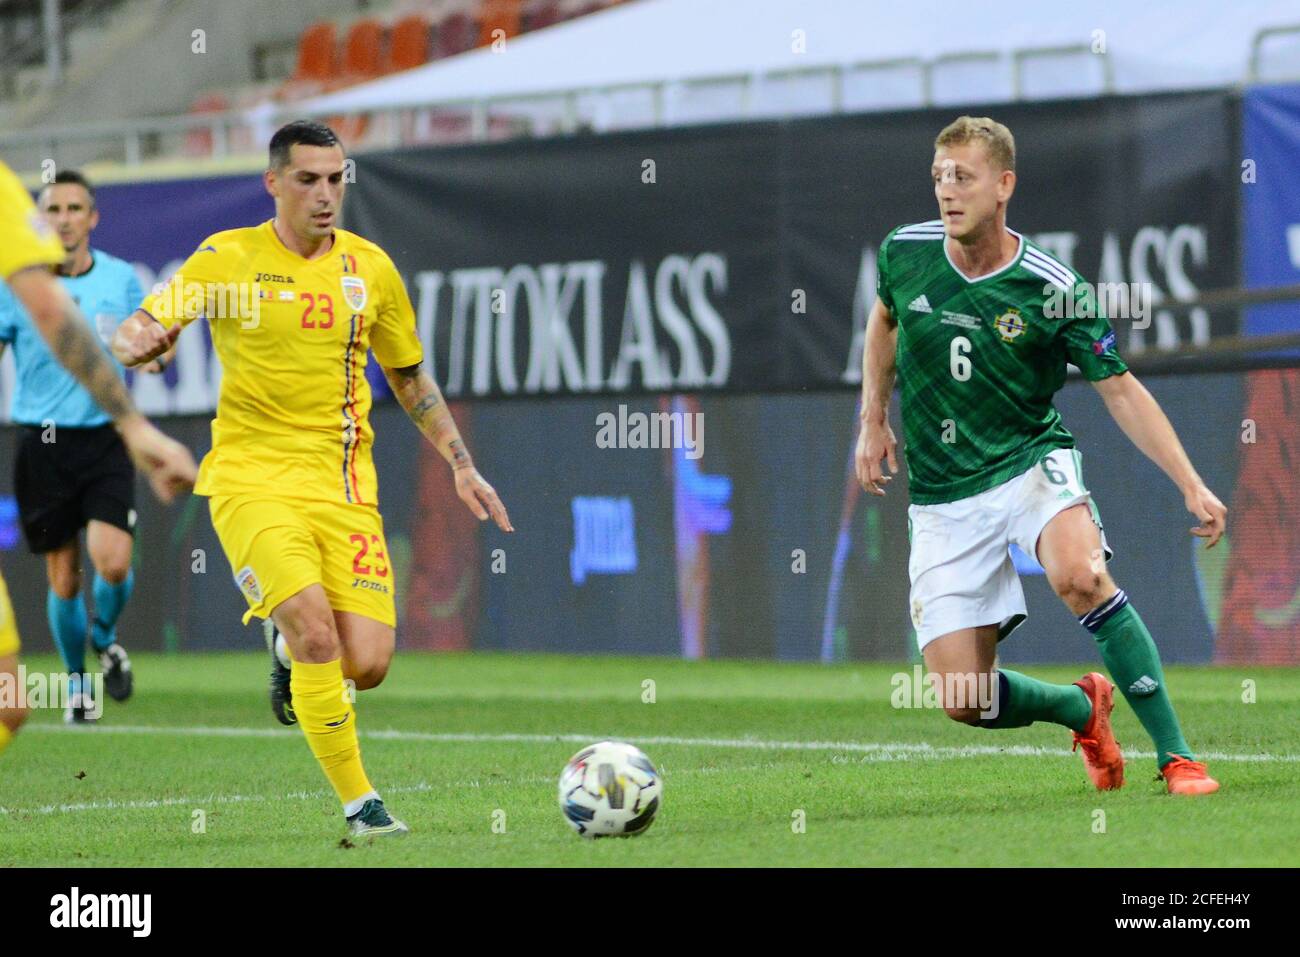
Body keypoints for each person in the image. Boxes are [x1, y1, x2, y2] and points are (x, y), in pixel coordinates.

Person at [111, 120, 514, 838]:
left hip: (346, 487)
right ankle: (363, 805)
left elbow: (409, 376)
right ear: (274, 183)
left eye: (336, 179)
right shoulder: (228, 258)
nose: (326, 195)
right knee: (315, 633)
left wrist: (461, 463)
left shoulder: (371, 271)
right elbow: (144, 323)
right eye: (308, 180)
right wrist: (139, 343)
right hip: (250, 480)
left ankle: (283, 648)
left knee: (368, 662)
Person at [856, 116, 1225, 795]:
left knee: (1081, 575)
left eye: (962, 176)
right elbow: (884, 319)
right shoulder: (904, 253)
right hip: (942, 495)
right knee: (964, 698)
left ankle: (1177, 757)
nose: (947, 190)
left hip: (1029, 461)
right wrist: (872, 417)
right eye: (939, 176)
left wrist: (1191, 483)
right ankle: (1080, 708)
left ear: (1004, 185)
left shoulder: (1052, 286)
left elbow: (1120, 390)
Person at [0, 157, 196, 759]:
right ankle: (79, 684)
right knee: (64, 576)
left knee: (111, 565)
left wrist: (156, 355)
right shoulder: (18, 285)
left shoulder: (118, 279)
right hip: (43, 438)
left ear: (93, 218)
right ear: (38, 219)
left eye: (73, 209)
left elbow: (149, 347)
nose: (62, 219)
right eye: (52, 209)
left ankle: (105, 638)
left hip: (107, 437)